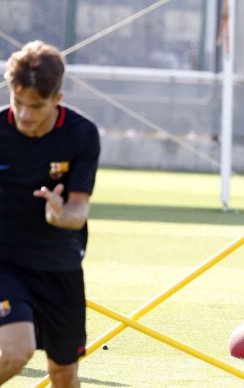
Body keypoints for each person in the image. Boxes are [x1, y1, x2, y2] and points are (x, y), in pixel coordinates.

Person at [0, 41, 101, 387]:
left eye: (37, 106)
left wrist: (59, 216)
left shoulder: (82, 134)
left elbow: (78, 210)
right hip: (5, 261)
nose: (25, 115)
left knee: (63, 372)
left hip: (59, 264)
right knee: (15, 351)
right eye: (18, 102)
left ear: (56, 99)